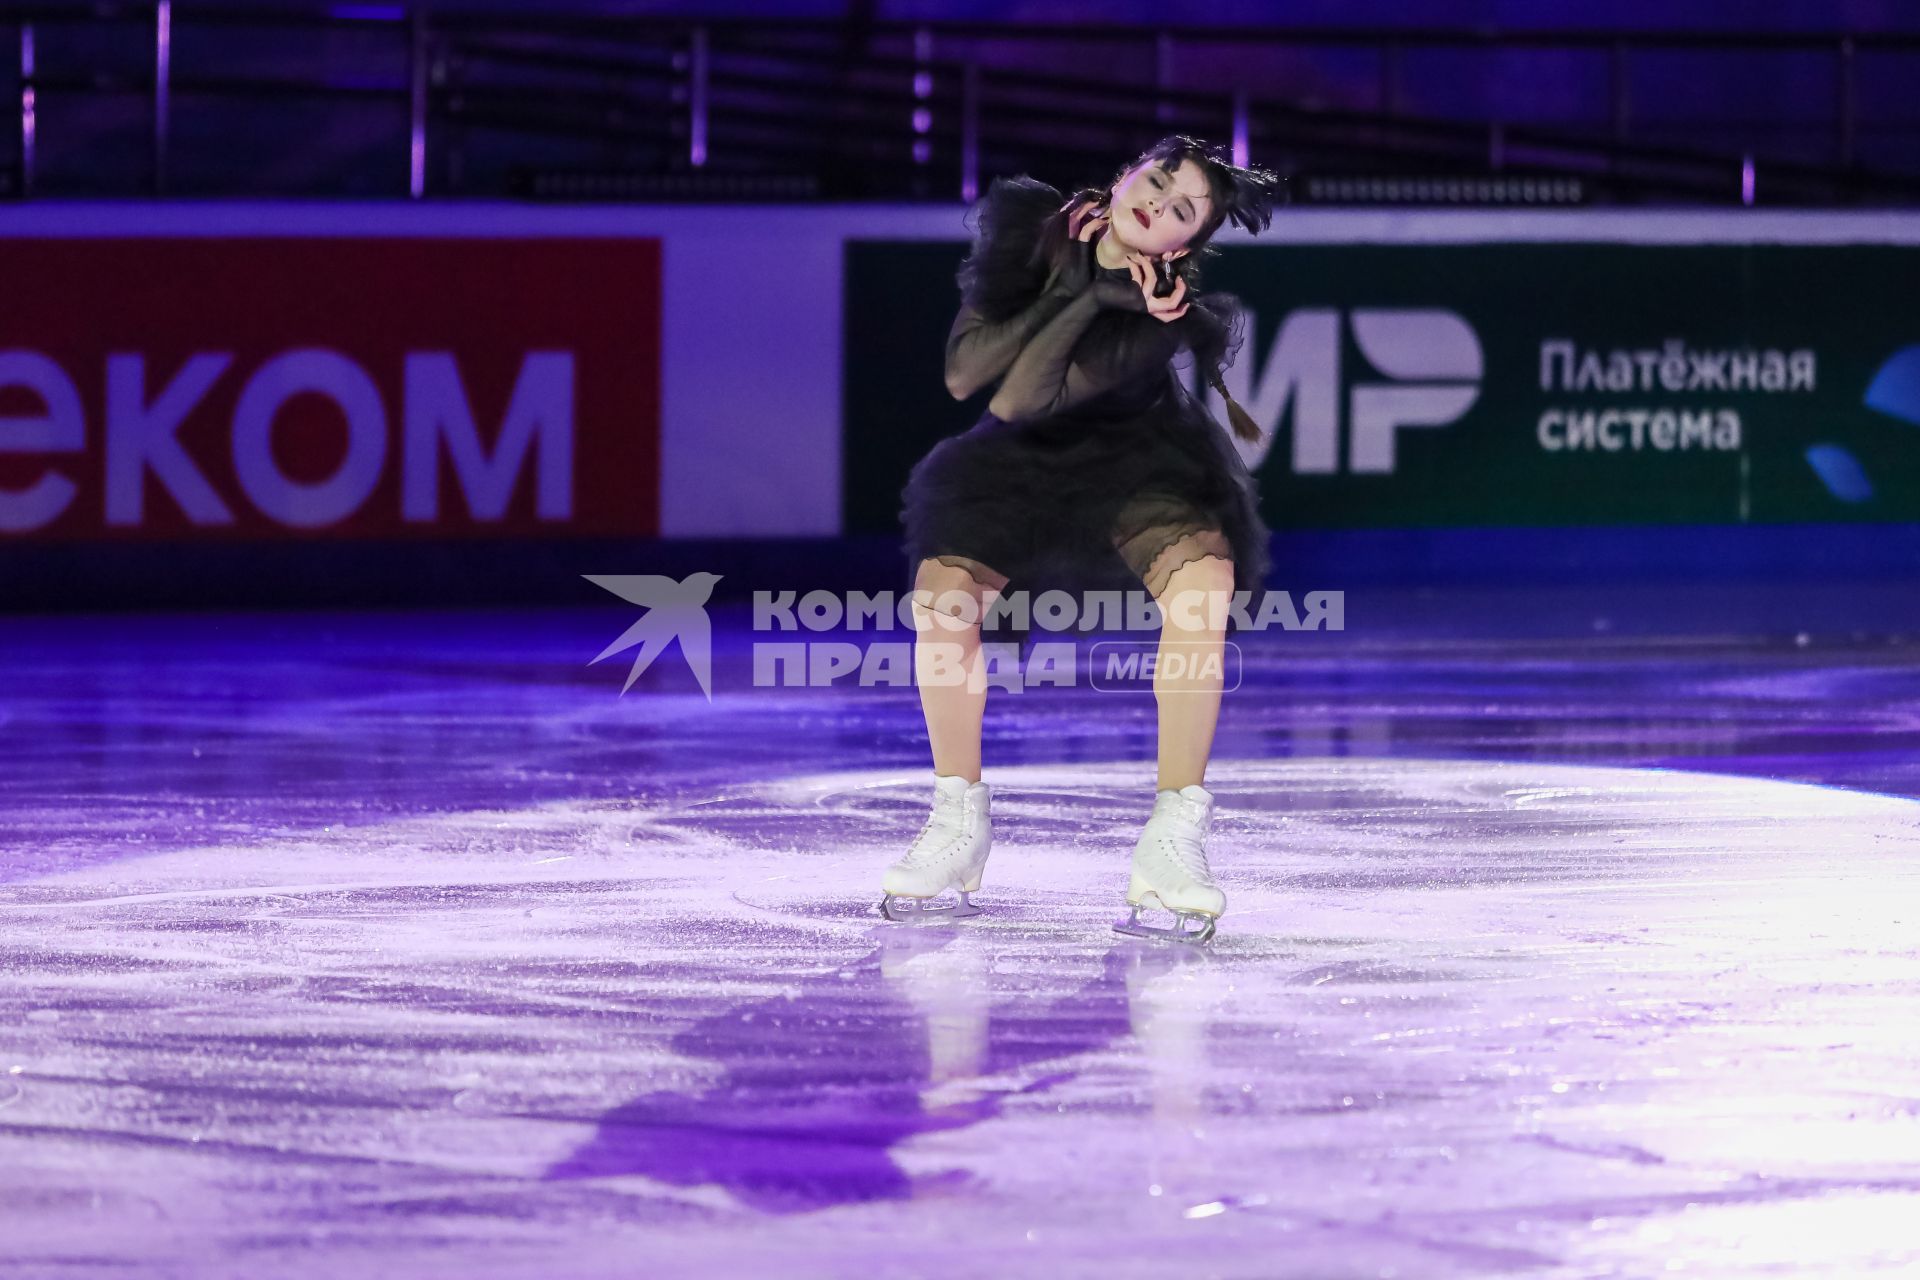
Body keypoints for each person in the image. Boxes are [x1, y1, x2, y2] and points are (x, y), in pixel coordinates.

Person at [879, 135, 1284, 944]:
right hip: (1017, 465)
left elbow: (1033, 395)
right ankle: (958, 822)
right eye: (1158, 181)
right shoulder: (1033, 228)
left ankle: (1174, 837)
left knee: (1202, 588)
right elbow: (967, 375)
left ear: (1184, 246)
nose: (1158, 205)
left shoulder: (1169, 311)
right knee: (943, 605)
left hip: (1138, 459)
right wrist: (1074, 284)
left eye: (1182, 212)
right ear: (1128, 169)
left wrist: (1097, 300)